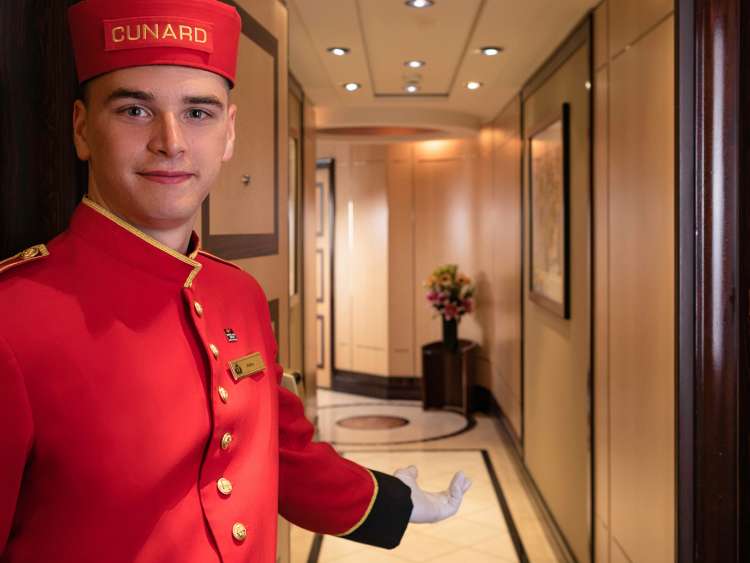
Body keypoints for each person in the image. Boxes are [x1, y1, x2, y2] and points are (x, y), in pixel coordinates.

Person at [0, 1, 471, 561]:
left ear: (228, 134)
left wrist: (394, 502)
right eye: (134, 110)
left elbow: (279, 454)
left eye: (198, 113)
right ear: (82, 128)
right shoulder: (15, 315)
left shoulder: (238, 295)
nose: (170, 140)